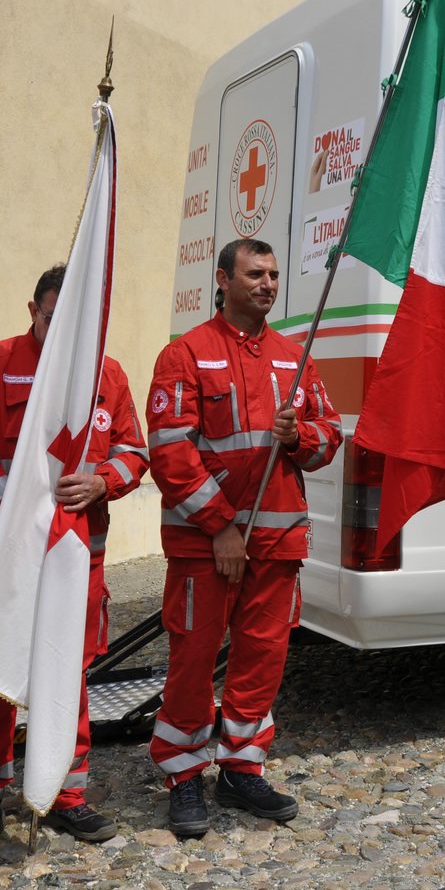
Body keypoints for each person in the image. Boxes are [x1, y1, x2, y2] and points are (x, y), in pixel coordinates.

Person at [0, 265, 149, 859]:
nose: (59, 328)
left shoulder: (107, 373)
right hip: (8, 559)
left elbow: (135, 451)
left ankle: (64, 796)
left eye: (73, 320)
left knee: (71, 677)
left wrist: (102, 482)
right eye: (48, 315)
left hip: (78, 559)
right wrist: (25, 509)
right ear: (30, 308)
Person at [145, 238, 341, 836]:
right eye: (254, 273)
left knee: (262, 658)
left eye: (274, 274)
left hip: (277, 546)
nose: (267, 284)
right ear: (223, 280)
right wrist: (221, 527)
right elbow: (170, 452)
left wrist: (298, 437)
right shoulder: (185, 355)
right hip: (209, 544)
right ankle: (182, 776)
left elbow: (330, 436)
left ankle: (240, 768)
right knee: (194, 658)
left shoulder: (294, 356)